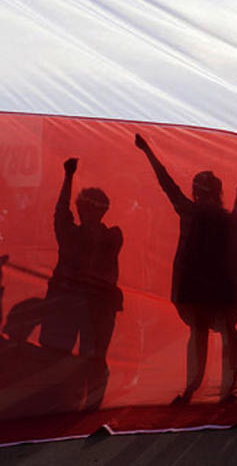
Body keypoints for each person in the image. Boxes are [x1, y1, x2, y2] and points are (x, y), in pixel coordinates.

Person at [135, 133, 237, 403]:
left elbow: (168, 185)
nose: (202, 195)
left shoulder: (197, 212)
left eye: (204, 190)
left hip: (212, 283)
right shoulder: (196, 212)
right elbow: (167, 185)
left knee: (218, 333)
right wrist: (147, 151)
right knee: (208, 333)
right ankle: (206, 386)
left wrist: (147, 151)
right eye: (201, 190)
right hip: (204, 283)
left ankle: (223, 386)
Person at [38, 158, 123, 410]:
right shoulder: (72, 233)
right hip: (71, 301)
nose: (91, 212)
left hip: (96, 303)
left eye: (96, 208)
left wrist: (68, 176)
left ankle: (91, 403)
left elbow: (62, 212)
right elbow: (61, 210)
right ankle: (65, 401)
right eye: (88, 207)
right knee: (60, 352)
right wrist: (68, 177)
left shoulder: (111, 235)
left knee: (94, 354)